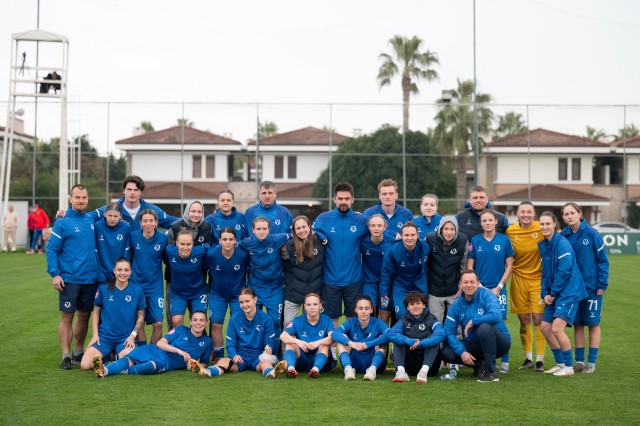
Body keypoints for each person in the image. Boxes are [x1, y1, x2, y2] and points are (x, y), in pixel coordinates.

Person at [46, 184, 100, 369]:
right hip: (69, 278)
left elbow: (115, 210)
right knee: (67, 317)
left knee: (84, 316)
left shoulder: (92, 219)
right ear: (70, 199)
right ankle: (66, 355)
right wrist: (55, 274)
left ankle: (78, 352)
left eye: (84, 197)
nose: (81, 201)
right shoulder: (62, 222)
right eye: (77, 197)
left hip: (90, 278)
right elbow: (52, 249)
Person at [189, 288, 287, 379]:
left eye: (247, 301)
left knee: (266, 363)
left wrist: (268, 350)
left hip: (257, 357)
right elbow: (230, 344)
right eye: (241, 302)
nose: (244, 305)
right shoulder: (234, 319)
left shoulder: (266, 319)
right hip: (240, 357)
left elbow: (269, 341)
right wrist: (234, 355)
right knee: (223, 361)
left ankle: (271, 373)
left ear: (255, 300)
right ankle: (207, 372)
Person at [560, 202, 609, 374]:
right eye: (566, 214)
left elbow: (603, 260)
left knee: (593, 323)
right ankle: (579, 362)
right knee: (578, 324)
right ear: (563, 217)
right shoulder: (563, 235)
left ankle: (591, 363)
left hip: (591, 287)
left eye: (572, 213)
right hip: (573, 288)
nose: (569, 216)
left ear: (579, 214)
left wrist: (602, 284)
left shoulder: (592, 233)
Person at [313, 182, 368, 330]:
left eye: (347, 198)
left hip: (354, 280)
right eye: (340, 198)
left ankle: (350, 345)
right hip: (330, 279)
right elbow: (309, 232)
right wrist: (319, 234)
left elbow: (379, 230)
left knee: (353, 319)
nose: (343, 202)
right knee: (331, 321)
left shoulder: (361, 220)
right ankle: (332, 346)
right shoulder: (324, 218)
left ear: (352, 200)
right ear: (334, 199)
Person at [538, 211, 588, 377]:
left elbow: (564, 272)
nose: (545, 227)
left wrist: (553, 293)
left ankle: (569, 367)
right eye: (542, 224)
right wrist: (545, 293)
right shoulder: (543, 245)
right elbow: (545, 273)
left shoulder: (562, 244)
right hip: (555, 292)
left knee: (557, 329)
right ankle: (560, 364)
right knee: (545, 328)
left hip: (569, 292)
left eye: (548, 224)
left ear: (555, 224)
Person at [440, 270, 512, 383]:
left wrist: (474, 321)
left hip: (499, 344)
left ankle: (490, 372)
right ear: (461, 285)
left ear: (478, 283)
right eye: (465, 282)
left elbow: (497, 316)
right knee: (446, 352)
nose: (469, 285)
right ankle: (479, 365)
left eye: (472, 282)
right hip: (474, 343)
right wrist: (462, 352)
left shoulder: (487, 295)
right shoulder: (456, 305)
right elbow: (449, 332)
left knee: (484, 327)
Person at [92, 310, 212, 378]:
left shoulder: (207, 342)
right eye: (195, 320)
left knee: (151, 366)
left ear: (206, 323)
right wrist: (180, 351)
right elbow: (160, 343)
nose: (198, 323)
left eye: (202, 320)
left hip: (167, 362)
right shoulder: (180, 329)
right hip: (154, 350)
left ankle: (122, 370)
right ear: (190, 322)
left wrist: (193, 365)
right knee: (129, 359)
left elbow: (204, 362)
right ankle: (103, 371)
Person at [467, 209, 514, 373]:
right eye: (484, 221)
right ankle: (482, 360)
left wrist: (499, 287)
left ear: (496, 222)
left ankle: (505, 363)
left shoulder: (504, 240)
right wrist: (479, 286)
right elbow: (470, 266)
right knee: (480, 323)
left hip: (498, 290)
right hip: (479, 289)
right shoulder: (475, 240)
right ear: (481, 223)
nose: (487, 223)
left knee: (500, 323)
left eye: (490, 220)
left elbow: (509, 266)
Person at [79, 258, 145, 370]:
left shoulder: (137, 289)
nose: (123, 273)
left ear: (130, 271)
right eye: (119, 270)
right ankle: (108, 357)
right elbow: (96, 312)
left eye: (126, 270)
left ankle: (110, 361)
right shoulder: (103, 289)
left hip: (125, 338)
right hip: (105, 337)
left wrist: (132, 336)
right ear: (114, 271)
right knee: (85, 365)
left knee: (129, 363)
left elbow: (141, 316)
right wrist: (95, 335)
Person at [505, 201, 546, 372]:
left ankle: (540, 360)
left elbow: (562, 233)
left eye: (529, 211)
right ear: (517, 213)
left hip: (538, 280)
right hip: (518, 280)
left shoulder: (541, 227)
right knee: (524, 320)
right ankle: (528, 358)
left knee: (538, 319)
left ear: (534, 213)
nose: (526, 215)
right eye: (523, 211)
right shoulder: (510, 231)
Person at [238, 217, 289, 351]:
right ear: (253, 230)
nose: (261, 231)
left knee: (275, 321)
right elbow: (233, 248)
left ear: (269, 229)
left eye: (264, 229)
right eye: (258, 229)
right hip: (255, 287)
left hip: (275, 288)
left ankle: (275, 353)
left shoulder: (277, 239)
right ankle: (254, 351)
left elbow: (295, 234)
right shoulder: (246, 243)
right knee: (253, 320)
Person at [165, 200, 212, 328]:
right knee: (174, 321)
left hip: (197, 282)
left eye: (199, 212)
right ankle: (175, 340)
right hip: (176, 282)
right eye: (193, 211)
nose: (196, 214)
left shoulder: (207, 228)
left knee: (198, 320)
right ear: (187, 211)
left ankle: (198, 341)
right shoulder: (175, 227)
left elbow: (210, 253)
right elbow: (166, 254)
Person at [204, 227, 249, 361]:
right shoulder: (211, 255)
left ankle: (239, 355)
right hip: (217, 295)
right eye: (224, 239)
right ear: (219, 241)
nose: (228, 242)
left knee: (239, 324)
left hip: (237, 296)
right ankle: (219, 357)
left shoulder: (243, 255)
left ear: (235, 240)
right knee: (216, 325)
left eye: (230, 239)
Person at [388, 291, 446, 383]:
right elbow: (392, 334)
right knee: (398, 339)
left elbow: (441, 334)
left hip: (430, 369)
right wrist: (409, 341)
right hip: (408, 364)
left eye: (418, 303)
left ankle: (423, 372)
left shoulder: (432, 319)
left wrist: (421, 343)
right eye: (412, 304)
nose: (415, 306)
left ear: (424, 305)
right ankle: (401, 372)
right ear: (407, 307)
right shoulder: (403, 320)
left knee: (433, 338)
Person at [129, 209, 168, 344]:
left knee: (158, 323)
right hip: (136, 285)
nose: (148, 224)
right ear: (140, 223)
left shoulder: (163, 238)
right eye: (145, 221)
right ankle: (142, 351)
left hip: (155, 287)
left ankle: (152, 351)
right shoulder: (133, 237)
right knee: (139, 321)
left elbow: (167, 260)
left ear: (156, 222)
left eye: (151, 220)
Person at [89, 175, 179, 231]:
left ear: (141, 192)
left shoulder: (151, 210)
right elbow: (88, 218)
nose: (132, 193)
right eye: (129, 189)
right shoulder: (112, 208)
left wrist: (187, 221)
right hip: (120, 255)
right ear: (124, 191)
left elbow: (172, 222)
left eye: (136, 190)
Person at [332, 296, 390, 381]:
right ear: (356, 310)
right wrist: (351, 343)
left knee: (382, 340)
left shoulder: (378, 322)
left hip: (375, 363)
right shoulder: (351, 322)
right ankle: (348, 369)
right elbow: (335, 333)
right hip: (355, 361)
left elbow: (389, 335)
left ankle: (372, 370)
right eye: (360, 308)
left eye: (366, 308)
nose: (363, 311)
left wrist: (368, 344)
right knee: (342, 339)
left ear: (371, 310)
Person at [425, 216, 469, 324]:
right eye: (446, 229)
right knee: (435, 324)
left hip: (454, 290)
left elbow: (464, 266)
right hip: (434, 290)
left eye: (452, 229)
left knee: (455, 324)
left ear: (456, 229)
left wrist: (461, 287)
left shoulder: (463, 240)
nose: (449, 232)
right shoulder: (430, 238)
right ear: (440, 229)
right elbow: (424, 263)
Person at [380, 222, 430, 317]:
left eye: (412, 235)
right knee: (402, 315)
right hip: (401, 285)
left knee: (423, 315)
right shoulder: (392, 250)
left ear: (418, 235)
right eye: (406, 235)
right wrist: (384, 292)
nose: (409, 238)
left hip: (419, 285)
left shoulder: (425, 247)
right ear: (401, 236)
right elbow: (386, 272)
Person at [283, 215, 324, 328]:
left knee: (311, 325)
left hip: (313, 293)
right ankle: (287, 341)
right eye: (298, 228)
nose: (302, 230)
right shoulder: (288, 245)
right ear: (294, 231)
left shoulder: (320, 242)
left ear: (309, 227)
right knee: (288, 324)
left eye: (304, 227)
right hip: (293, 293)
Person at [280, 293, 335, 379]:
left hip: (321, 361)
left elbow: (332, 338)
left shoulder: (327, 320)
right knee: (290, 343)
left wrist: (317, 343)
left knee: (324, 345)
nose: (312, 307)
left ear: (320, 306)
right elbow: (283, 336)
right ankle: (291, 369)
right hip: (302, 359)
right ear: (305, 307)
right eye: (309, 305)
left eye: (315, 304)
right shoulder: (298, 320)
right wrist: (298, 342)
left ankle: (315, 370)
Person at [360, 214, 394, 323]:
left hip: (386, 283)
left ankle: (382, 335)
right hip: (369, 283)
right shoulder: (362, 241)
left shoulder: (393, 241)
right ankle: (369, 334)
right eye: (373, 225)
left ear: (384, 227)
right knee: (368, 314)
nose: (376, 228)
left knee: (384, 317)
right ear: (368, 227)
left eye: (379, 225)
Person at [94, 202, 131, 283]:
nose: (112, 219)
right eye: (110, 215)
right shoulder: (97, 226)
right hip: (101, 272)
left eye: (116, 216)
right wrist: (99, 272)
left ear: (120, 216)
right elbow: (95, 251)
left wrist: (122, 271)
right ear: (104, 214)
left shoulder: (126, 228)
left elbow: (127, 252)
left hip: (119, 273)